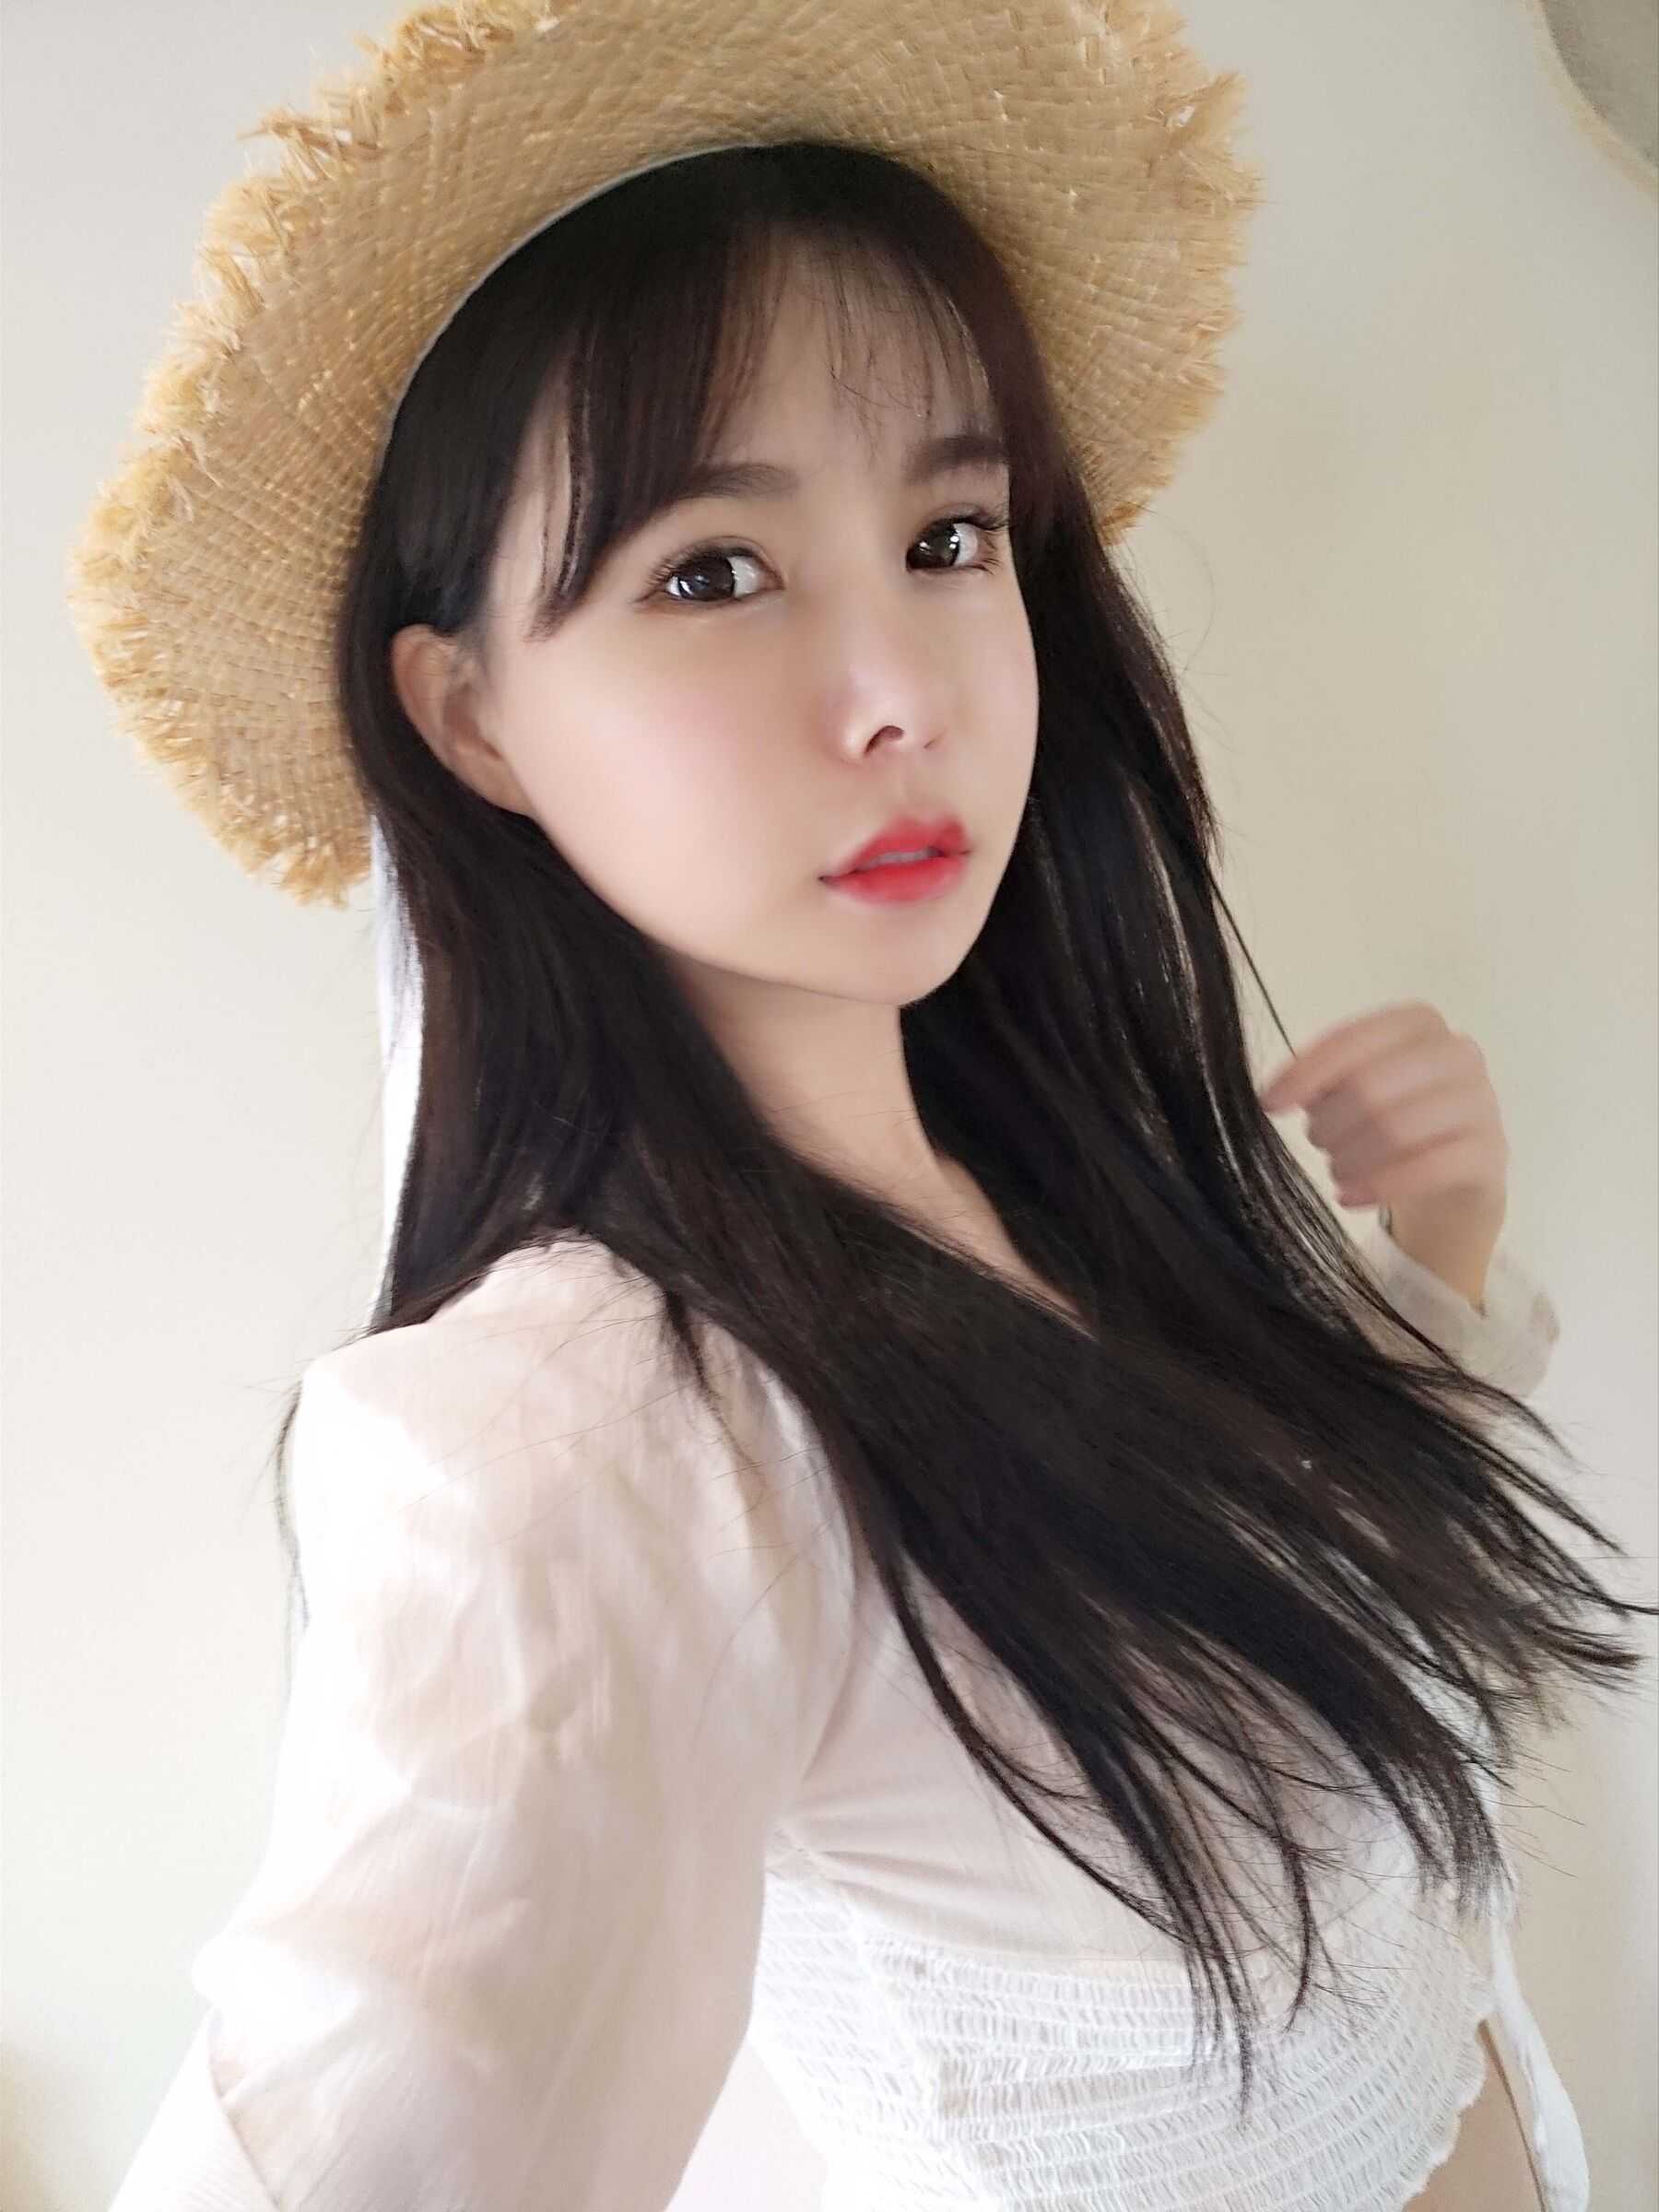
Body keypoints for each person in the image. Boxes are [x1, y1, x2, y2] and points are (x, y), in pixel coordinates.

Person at [66, 3, 1652, 2206]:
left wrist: (1434, 1265)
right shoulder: (588, 1440)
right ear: (472, 716)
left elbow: (1250, 1630)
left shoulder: (1059, 1188)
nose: (904, 690)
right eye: (712, 570)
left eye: (951, 534)